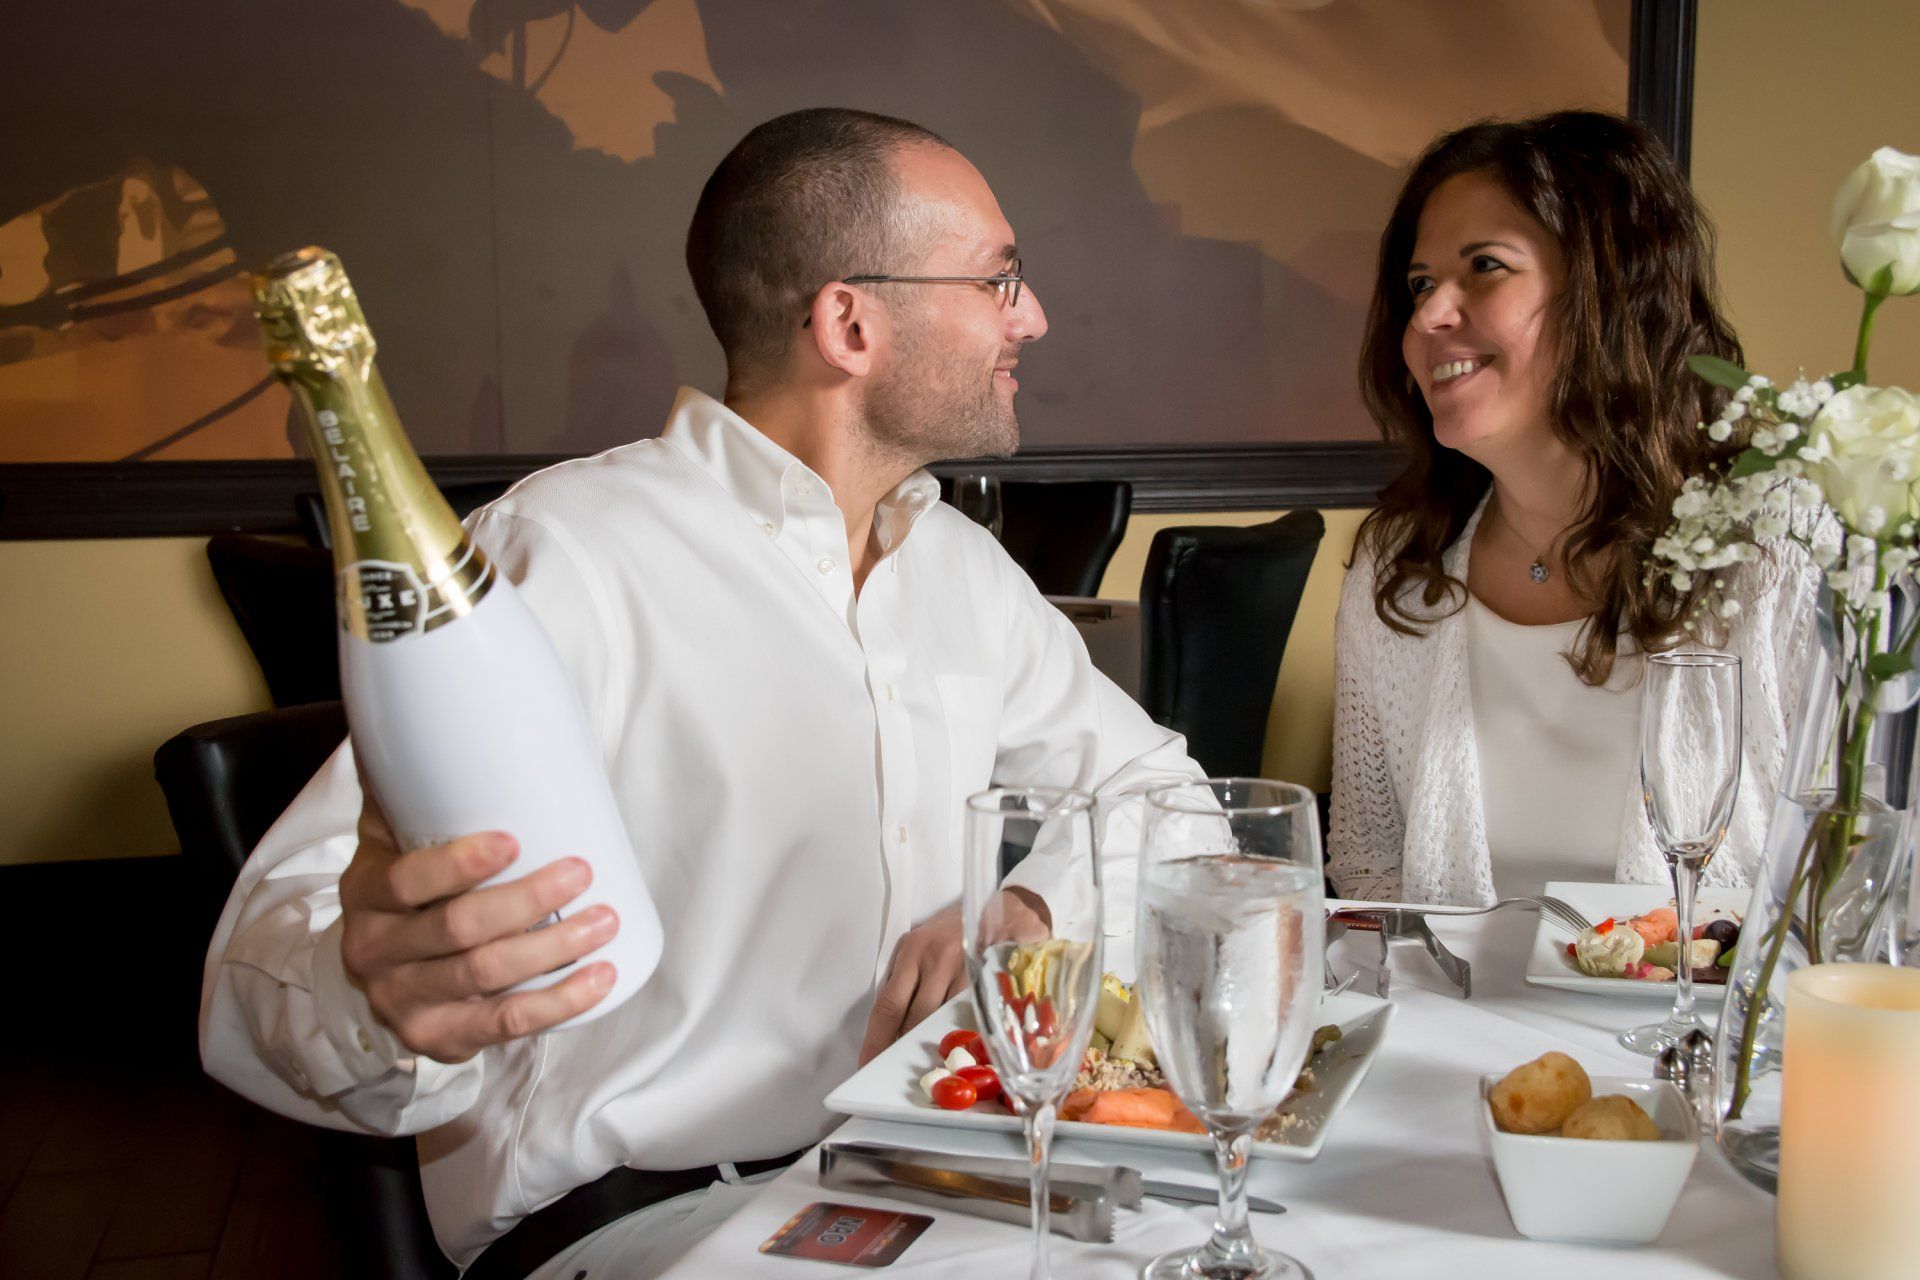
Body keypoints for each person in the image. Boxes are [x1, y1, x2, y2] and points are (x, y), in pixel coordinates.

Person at [200, 107, 1199, 1280]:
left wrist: (1033, 914)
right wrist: (377, 987)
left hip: (937, 1181)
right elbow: (262, 963)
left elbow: (1165, 796)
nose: (1030, 315)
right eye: (999, 278)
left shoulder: (960, 571)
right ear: (851, 321)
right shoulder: (562, 555)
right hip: (651, 1224)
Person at [1327, 110, 1817, 907]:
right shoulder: (1398, 570)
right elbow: (1372, 874)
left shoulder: (1780, 550)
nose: (1427, 317)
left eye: (1484, 266)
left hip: (1724, 1033)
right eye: (1419, 284)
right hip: (1456, 1031)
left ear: (1612, 290)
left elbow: (1862, 891)